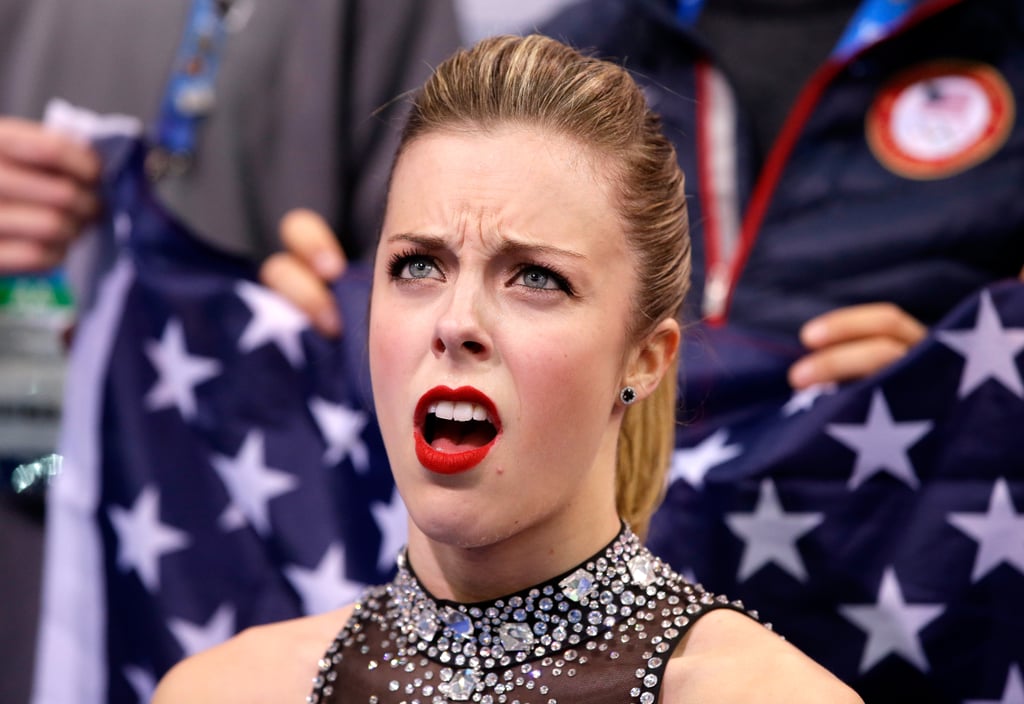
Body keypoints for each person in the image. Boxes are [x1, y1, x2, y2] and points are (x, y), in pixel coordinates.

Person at [151, 34, 861, 703]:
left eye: (536, 278)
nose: (457, 322)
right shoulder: (227, 691)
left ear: (645, 359)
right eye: (418, 266)